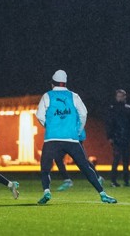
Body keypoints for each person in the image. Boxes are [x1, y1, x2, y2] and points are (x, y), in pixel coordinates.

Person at [35, 70, 116, 205]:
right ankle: (102, 194)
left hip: (52, 139)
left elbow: (39, 115)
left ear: (52, 83)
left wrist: (49, 126)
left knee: (45, 167)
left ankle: (47, 191)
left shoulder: (47, 96)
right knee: (85, 167)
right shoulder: (74, 96)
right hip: (71, 139)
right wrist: (77, 130)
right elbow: (84, 113)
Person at [107, 89, 130, 187]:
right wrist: (110, 136)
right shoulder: (112, 109)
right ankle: (113, 181)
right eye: (118, 96)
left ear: (125, 97)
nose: (119, 98)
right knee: (116, 159)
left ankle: (126, 181)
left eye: (121, 96)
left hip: (127, 137)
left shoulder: (129, 109)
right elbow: (109, 123)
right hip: (117, 138)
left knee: (126, 160)